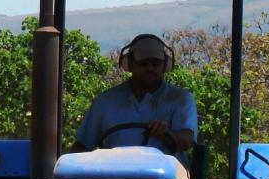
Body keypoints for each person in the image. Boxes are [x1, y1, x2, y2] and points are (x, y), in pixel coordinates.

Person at [72, 33, 196, 163]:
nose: (150, 68)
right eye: (143, 63)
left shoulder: (181, 99)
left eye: (155, 63)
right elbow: (83, 145)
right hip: (115, 176)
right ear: (131, 64)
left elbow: (187, 140)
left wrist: (166, 134)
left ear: (164, 65)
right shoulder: (105, 101)